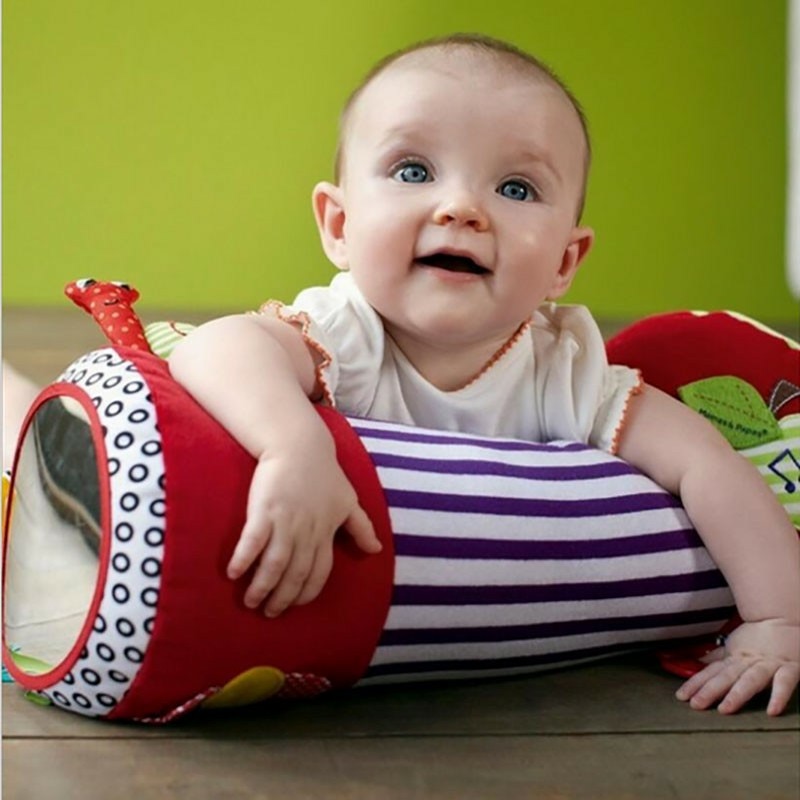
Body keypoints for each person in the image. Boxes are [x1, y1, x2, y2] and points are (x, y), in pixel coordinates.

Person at [7, 33, 799, 716]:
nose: (461, 207)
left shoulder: (568, 372)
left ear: (564, 261)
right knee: (29, 446)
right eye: (414, 171)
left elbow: (711, 468)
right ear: (340, 225)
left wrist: (776, 622)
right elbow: (214, 351)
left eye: (515, 188)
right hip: (185, 460)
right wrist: (293, 448)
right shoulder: (345, 332)